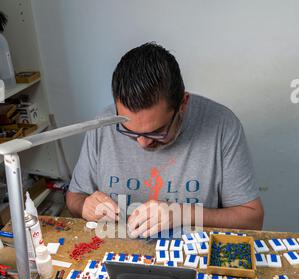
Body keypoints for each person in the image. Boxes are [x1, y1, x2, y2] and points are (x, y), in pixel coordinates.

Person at [66, 42, 264, 237]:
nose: (142, 143)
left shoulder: (222, 126)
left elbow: (252, 219)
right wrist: (85, 205)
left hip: (191, 257)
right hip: (118, 254)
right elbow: (74, 197)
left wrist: (181, 214)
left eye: (156, 131)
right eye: (129, 131)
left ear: (182, 104)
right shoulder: (103, 125)